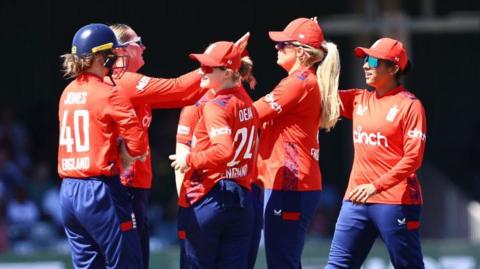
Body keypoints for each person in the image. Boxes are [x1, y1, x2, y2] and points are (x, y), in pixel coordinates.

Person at [108, 23, 205, 269]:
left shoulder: (127, 83)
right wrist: (218, 64)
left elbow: (185, 94)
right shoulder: (123, 81)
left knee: (138, 259)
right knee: (130, 261)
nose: (143, 47)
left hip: (136, 184)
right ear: (121, 51)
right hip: (124, 185)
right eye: (137, 42)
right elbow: (180, 90)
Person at [325, 38, 427, 269]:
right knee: (337, 266)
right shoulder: (359, 99)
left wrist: (376, 185)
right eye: (364, 60)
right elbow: (318, 94)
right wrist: (319, 52)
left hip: (395, 201)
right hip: (356, 200)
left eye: (373, 60)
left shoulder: (410, 106)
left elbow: (413, 159)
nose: (365, 65)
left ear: (393, 68)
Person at [252, 17, 341, 268]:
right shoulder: (301, 81)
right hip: (290, 182)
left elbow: (249, 115)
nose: (276, 48)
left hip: (290, 183)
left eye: (283, 44)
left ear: (301, 53)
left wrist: (222, 93)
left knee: (282, 262)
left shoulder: (298, 83)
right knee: (283, 260)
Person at [58, 23, 146, 269]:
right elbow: (137, 143)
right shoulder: (108, 93)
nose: (114, 60)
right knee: (126, 263)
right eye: (110, 54)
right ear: (98, 56)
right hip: (100, 191)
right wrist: (124, 153)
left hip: (68, 192)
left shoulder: (67, 92)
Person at [169, 39, 259, 268]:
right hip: (241, 198)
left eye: (209, 67)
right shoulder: (247, 103)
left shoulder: (214, 105)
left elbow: (223, 150)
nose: (202, 71)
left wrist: (189, 159)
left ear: (228, 72)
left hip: (209, 194)